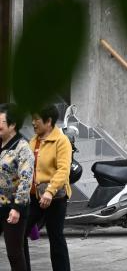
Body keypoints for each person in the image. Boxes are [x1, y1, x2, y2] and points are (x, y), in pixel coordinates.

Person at [22, 105, 72, 271]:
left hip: (55, 198)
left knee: (56, 237)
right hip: (34, 197)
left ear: (48, 121)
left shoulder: (61, 141)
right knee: (19, 233)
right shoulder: (33, 141)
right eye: (33, 119)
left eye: (36, 119)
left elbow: (63, 170)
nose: (33, 122)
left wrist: (50, 191)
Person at [0, 105, 33, 271]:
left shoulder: (23, 148)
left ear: (12, 125)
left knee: (14, 254)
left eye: (0, 121)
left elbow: (26, 180)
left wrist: (17, 208)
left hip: (13, 208)